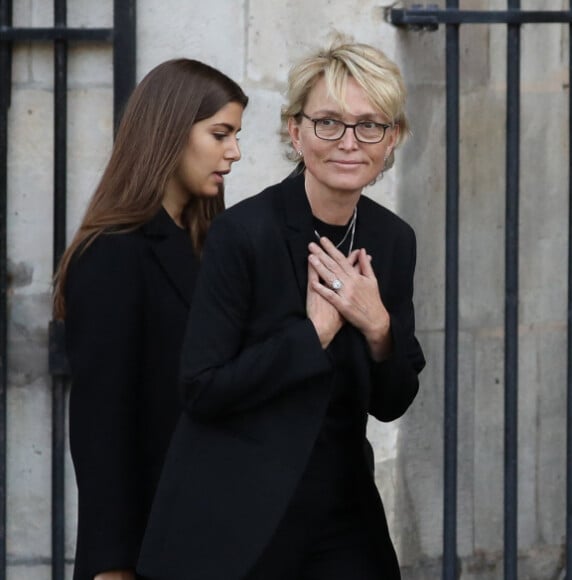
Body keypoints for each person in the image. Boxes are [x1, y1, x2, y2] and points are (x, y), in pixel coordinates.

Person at [138, 37, 425, 580]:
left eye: (370, 125)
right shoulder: (243, 234)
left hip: (343, 514)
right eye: (328, 123)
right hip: (239, 516)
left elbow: (393, 401)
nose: (349, 141)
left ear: (392, 140)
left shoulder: (393, 240)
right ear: (296, 132)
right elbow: (202, 388)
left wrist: (379, 327)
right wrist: (311, 335)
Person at [52, 58, 248, 580]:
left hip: (225, 534)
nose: (234, 152)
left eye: (235, 135)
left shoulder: (215, 244)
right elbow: (101, 429)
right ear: (170, 130)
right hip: (152, 549)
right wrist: (112, 565)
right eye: (220, 133)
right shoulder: (113, 253)